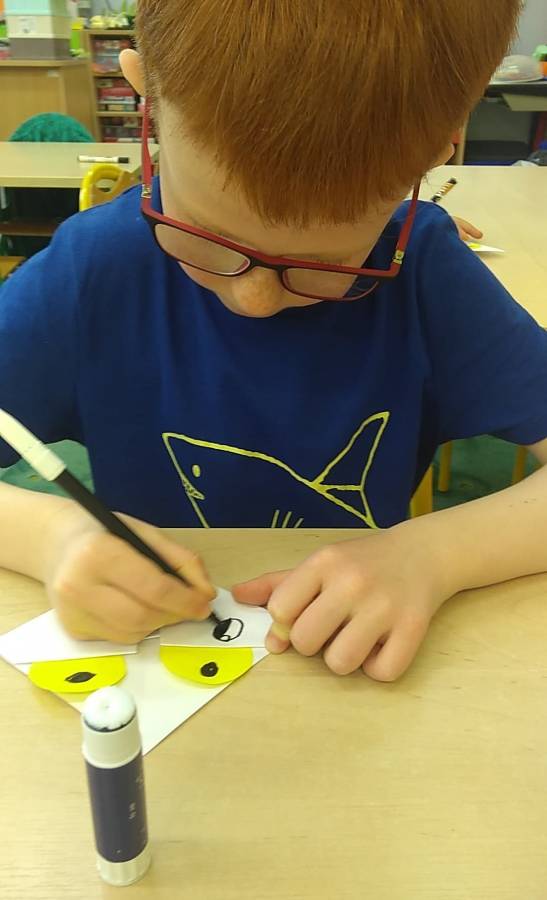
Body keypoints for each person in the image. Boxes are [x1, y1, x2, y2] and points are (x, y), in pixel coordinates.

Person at [1, 0, 546, 683]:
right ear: (147, 96)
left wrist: (435, 555)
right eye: (203, 238)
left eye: (326, 264)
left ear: (436, 155)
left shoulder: (425, 271)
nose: (254, 300)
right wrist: (49, 537)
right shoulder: (90, 273)